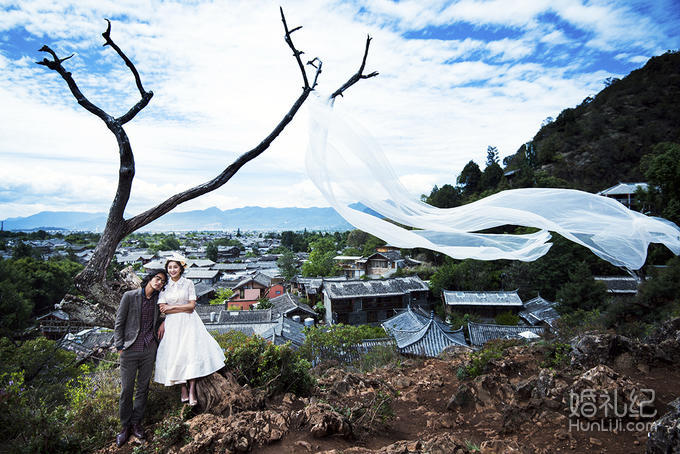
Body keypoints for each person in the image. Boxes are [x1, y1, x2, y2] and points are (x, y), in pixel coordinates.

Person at [154, 254, 225, 406]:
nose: (172, 270)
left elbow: (192, 307)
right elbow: (163, 309)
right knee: (176, 354)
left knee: (190, 353)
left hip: (189, 322)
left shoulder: (188, 283)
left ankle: (192, 389)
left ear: (181, 268)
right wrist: (177, 309)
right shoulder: (165, 286)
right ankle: (183, 388)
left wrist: (172, 307)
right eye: (170, 267)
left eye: (175, 267)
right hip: (173, 324)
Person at [113, 269, 168, 448]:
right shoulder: (129, 296)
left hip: (148, 349)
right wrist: (119, 346)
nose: (159, 283)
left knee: (142, 388)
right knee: (127, 389)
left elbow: (168, 313)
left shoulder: (158, 301)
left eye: (162, 281)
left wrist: (165, 321)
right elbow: (119, 322)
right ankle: (124, 427)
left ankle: (136, 423)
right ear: (150, 279)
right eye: (157, 279)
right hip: (129, 349)